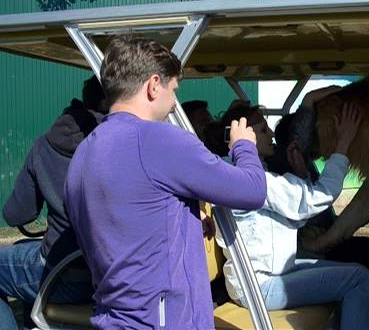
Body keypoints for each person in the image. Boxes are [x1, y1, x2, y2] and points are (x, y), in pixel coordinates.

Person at [64, 36, 267, 330]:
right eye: (174, 91)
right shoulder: (159, 139)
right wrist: (244, 146)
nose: (174, 105)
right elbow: (252, 189)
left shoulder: (84, 152)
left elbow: (124, 221)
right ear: (153, 85)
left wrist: (181, 217)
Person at [206, 100, 369, 329]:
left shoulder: (245, 174)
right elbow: (320, 197)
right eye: (264, 130)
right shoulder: (248, 178)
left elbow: (293, 214)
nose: (272, 134)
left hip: (268, 274)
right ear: (244, 136)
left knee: (354, 271)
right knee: (359, 280)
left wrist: (302, 175)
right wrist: (343, 145)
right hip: (260, 286)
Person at [0, 76, 106, 330]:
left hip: (65, 272)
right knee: (26, 251)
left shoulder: (45, 144)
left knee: (25, 257)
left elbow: (16, 215)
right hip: (108, 273)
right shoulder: (124, 142)